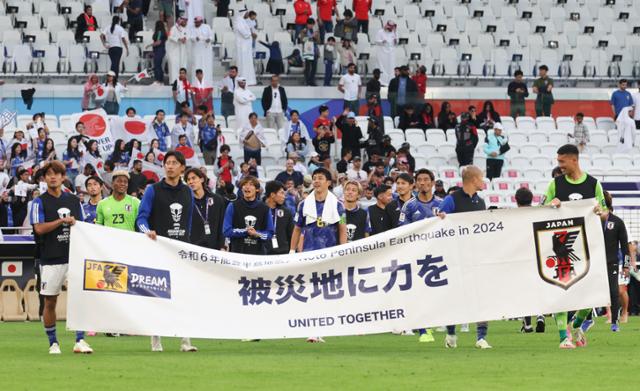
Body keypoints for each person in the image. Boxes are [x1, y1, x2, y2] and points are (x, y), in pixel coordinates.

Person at [543, 144, 608, 349]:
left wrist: (600, 211)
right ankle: (564, 337)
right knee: (562, 291)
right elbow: (541, 211)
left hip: (587, 246)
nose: (559, 165)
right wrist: (550, 206)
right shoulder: (555, 184)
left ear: (574, 160)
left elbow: (605, 212)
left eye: (562, 161)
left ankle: (577, 326)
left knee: (591, 295)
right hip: (561, 245)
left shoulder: (593, 184)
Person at [136, 151, 198, 353]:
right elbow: (141, 219)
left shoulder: (188, 192)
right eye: (167, 163)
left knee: (184, 295)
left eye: (174, 163)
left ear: (182, 167)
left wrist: (187, 244)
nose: (170, 166)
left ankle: (185, 340)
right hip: (158, 250)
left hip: (180, 250)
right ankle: (156, 340)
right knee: (157, 296)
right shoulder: (152, 190)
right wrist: (148, 232)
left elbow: (188, 222)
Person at [30, 161, 93, 354]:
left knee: (79, 299)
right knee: (50, 301)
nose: (52, 177)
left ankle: (80, 340)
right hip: (50, 258)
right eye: (48, 174)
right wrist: (61, 221)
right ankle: (53, 342)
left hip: (74, 257)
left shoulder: (74, 201)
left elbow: (84, 227)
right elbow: (38, 228)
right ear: (44, 178)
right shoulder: (39, 202)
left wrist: (74, 223)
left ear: (63, 177)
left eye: (56, 173)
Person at [290, 167, 346, 343]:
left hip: (330, 252)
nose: (316, 181)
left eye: (320, 178)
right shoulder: (303, 204)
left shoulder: (338, 205)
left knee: (325, 292)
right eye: (314, 178)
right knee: (310, 291)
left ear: (329, 183)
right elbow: (298, 228)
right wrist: (292, 250)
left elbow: (342, 228)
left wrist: (342, 250)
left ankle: (321, 328)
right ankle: (311, 328)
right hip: (309, 251)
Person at [438, 166, 491, 349]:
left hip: (476, 257)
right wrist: (441, 218)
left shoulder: (481, 202)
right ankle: (451, 334)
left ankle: (481, 337)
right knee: (455, 298)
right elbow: (437, 224)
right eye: (481, 178)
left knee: (482, 296)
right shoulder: (451, 200)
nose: (483, 181)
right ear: (473, 180)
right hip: (454, 257)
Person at [399, 169, 441, 343]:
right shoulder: (409, 206)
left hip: (439, 254)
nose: (423, 183)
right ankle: (423, 329)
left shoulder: (442, 203)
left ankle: (439, 323)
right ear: (415, 184)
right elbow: (402, 231)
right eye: (420, 180)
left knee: (436, 292)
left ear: (432, 182)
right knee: (419, 292)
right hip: (417, 255)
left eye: (426, 180)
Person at [601, 191, 630, 332]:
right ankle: (586, 320)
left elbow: (625, 246)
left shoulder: (617, 222)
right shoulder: (592, 220)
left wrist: (626, 265)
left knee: (614, 292)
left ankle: (614, 322)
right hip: (594, 263)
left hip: (611, 262)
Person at [223, 175, 273, 254]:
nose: (247, 187)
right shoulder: (232, 206)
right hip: (237, 254)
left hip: (258, 255)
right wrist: (245, 231)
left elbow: (270, 234)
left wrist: (257, 234)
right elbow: (226, 231)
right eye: (244, 184)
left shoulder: (265, 209)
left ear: (257, 189)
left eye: (251, 184)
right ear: (241, 188)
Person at [185, 168, 225, 250]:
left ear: (202, 179)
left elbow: (222, 225)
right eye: (188, 180)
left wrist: (222, 245)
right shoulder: (185, 202)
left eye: (193, 178)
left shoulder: (217, 200)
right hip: (192, 249)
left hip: (214, 249)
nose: (191, 182)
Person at [263, 180, 294, 255]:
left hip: (283, 254)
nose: (284, 196)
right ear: (272, 194)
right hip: (263, 254)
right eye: (282, 193)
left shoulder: (287, 212)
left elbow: (291, 234)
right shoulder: (259, 210)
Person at [234, 8, 257, 86]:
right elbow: (243, 32)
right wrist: (250, 34)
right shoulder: (239, 20)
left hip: (246, 46)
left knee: (247, 62)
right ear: (243, 13)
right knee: (243, 62)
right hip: (242, 46)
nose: (248, 14)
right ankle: (242, 80)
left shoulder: (243, 21)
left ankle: (249, 80)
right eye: (246, 13)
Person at [167, 16, 190, 87]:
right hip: (174, 51)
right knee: (174, 67)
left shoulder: (187, 29)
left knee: (183, 66)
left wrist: (185, 39)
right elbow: (170, 37)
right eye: (184, 20)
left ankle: (182, 82)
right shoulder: (174, 28)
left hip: (183, 51)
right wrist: (179, 39)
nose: (185, 22)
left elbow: (189, 36)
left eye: (186, 21)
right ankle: (174, 83)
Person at [375, 21, 398, 86]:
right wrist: (382, 41)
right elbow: (376, 41)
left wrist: (395, 40)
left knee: (391, 66)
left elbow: (396, 42)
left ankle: (390, 81)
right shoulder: (380, 32)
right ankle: (381, 81)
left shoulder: (394, 32)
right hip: (382, 51)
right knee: (382, 66)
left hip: (391, 52)